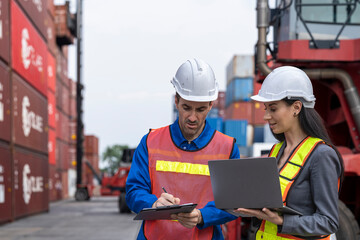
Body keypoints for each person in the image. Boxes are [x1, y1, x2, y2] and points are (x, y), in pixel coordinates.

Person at [126, 58, 240, 240]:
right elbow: (133, 191)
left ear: (211, 105)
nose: (193, 117)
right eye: (187, 107)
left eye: (201, 109)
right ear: (176, 100)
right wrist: (154, 204)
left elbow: (235, 203)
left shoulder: (227, 147)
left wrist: (202, 216)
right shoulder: (150, 142)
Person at [235, 66, 344, 239]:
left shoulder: (321, 155)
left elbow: (328, 222)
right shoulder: (276, 150)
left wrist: (282, 221)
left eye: (273, 108)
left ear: (296, 107)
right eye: (266, 109)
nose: (266, 116)